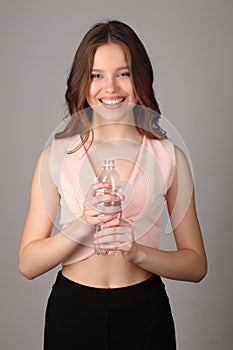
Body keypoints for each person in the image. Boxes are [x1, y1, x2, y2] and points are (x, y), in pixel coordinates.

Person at [18, 20, 207, 349]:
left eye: (123, 73)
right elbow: (28, 263)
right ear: (83, 81)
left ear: (140, 79)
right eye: (96, 75)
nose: (110, 87)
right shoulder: (57, 155)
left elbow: (196, 265)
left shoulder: (168, 157)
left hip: (145, 313)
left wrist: (138, 252)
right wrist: (81, 225)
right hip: (72, 313)